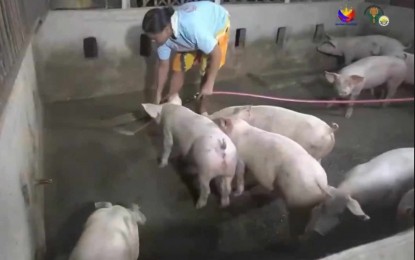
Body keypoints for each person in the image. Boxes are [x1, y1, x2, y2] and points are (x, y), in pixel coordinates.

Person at [142, 1, 230, 115]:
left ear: (167, 30)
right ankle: (173, 100)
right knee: (178, 65)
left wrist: (209, 83)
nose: (153, 41)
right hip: (194, 32)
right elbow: (163, 66)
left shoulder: (192, 28)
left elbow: (216, 54)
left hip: (217, 23)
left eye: (154, 38)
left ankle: (203, 111)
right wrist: (157, 95)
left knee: (206, 69)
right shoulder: (162, 39)